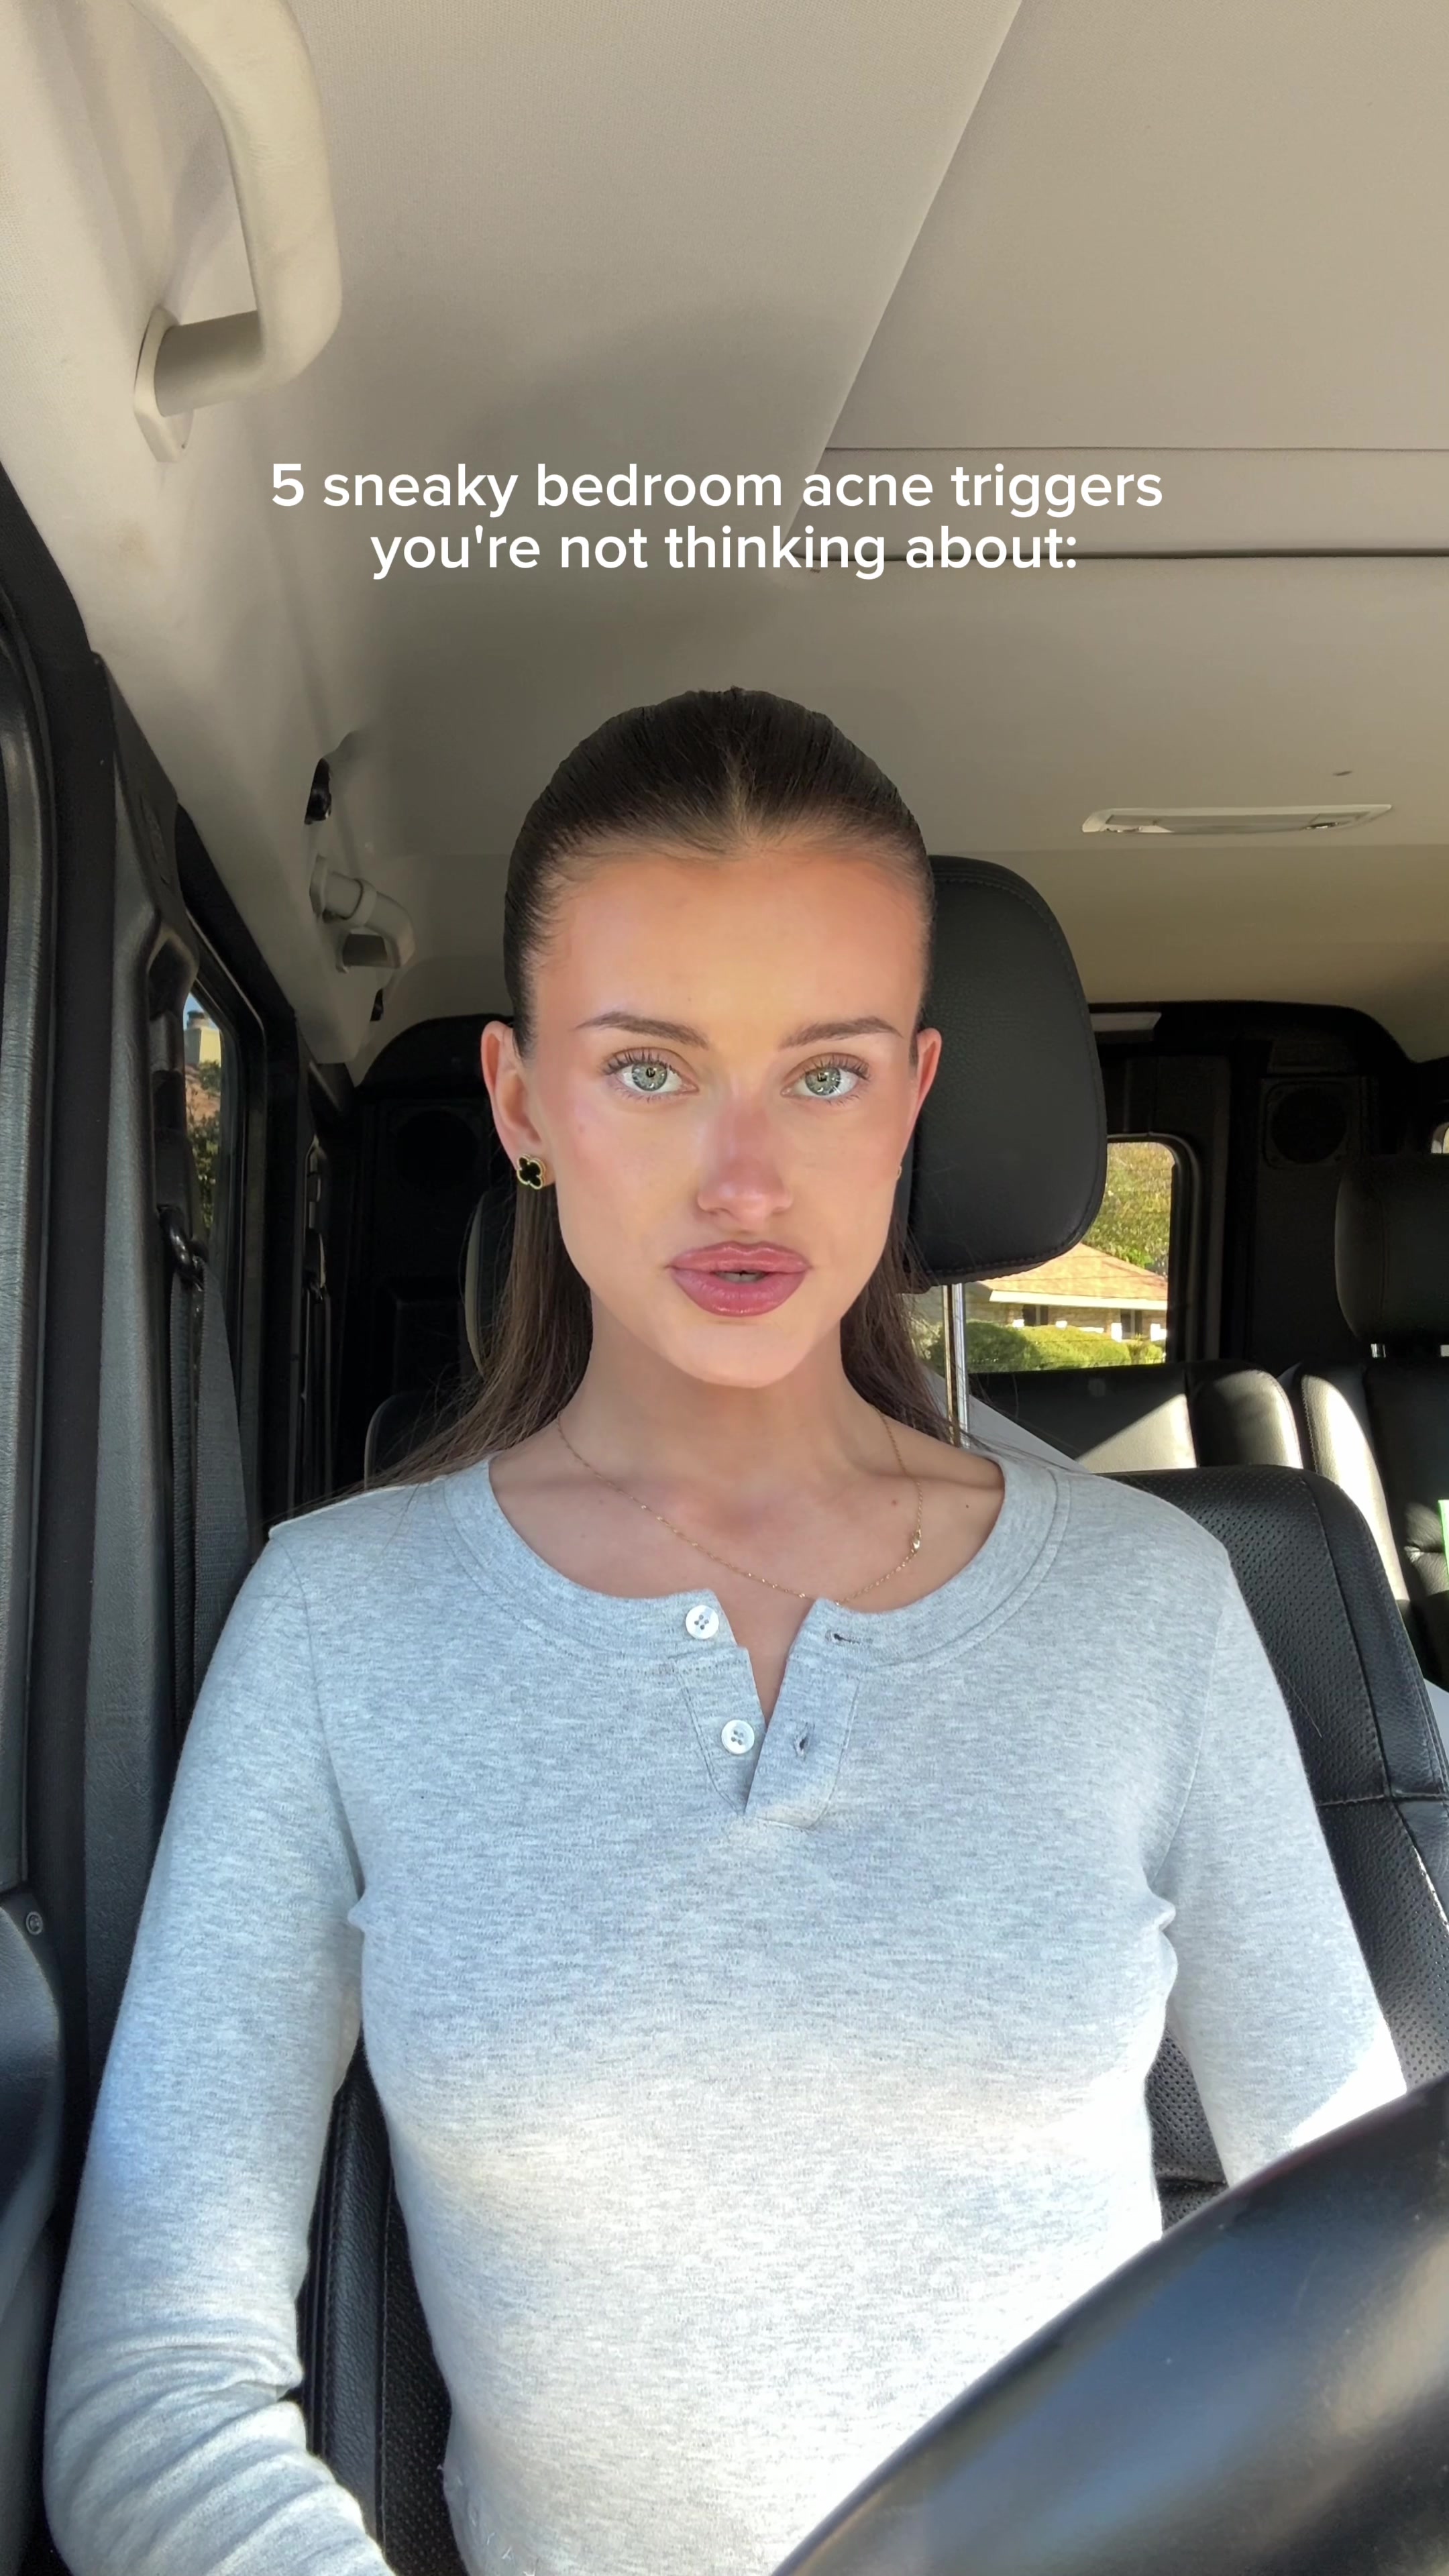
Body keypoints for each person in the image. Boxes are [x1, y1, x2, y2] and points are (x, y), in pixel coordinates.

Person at [43, 688, 1405, 2576]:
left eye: (825, 1075)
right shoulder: (339, 1630)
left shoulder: (1147, 1609)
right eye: (651, 1070)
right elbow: (156, 2386)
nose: (746, 1177)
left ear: (912, 1099)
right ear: (523, 1103)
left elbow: (1363, 2286)